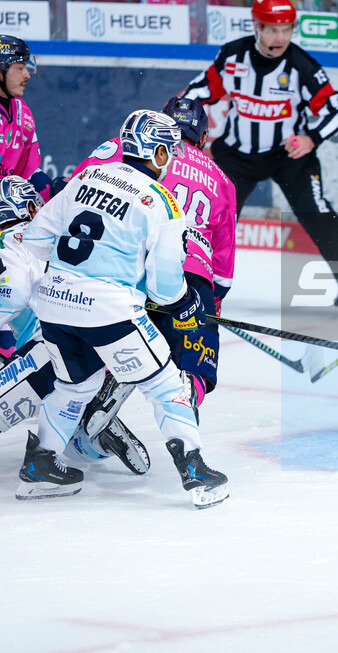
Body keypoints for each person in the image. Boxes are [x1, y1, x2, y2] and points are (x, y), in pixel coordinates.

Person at [17, 110, 229, 509]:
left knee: (74, 386)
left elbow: (37, 236)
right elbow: (166, 287)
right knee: (165, 384)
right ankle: (196, 472)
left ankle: (39, 467)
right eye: (172, 152)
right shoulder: (163, 203)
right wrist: (184, 304)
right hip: (109, 311)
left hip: (55, 304)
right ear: (160, 152)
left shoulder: (86, 178)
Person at [179, 0, 338, 310]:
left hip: (289, 156)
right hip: (237, 155)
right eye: (272, 30)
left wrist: (312, 138)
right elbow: (200, 91)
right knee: (210, 216)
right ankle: (192, 284)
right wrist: (179, 116)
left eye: (287, 30)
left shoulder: (302, 66)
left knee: (315, 210)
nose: (280, 38)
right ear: (257, 28)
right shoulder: (232, 55)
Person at [71, 97, 237, 425]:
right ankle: (188, 390)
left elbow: (79, 183)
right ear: (202, 138)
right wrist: (211, 302)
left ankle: (102, 384)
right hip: (192, 275)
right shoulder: (222, 180)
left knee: (112, 335)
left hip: (132, 265)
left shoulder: (129, 145)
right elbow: (224, 262)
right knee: (195, 354)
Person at [0, 175, 150, 493]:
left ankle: (86, 432)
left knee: (66, 359)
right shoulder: (23, 242)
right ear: (27, 208)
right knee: (60, 354)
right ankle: (85, 433)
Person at [0, 36, 51, 198]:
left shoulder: (23, 111)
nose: (27, 75)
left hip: (7, 198)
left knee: (50, 188)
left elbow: (30, 172)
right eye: (20, 68)